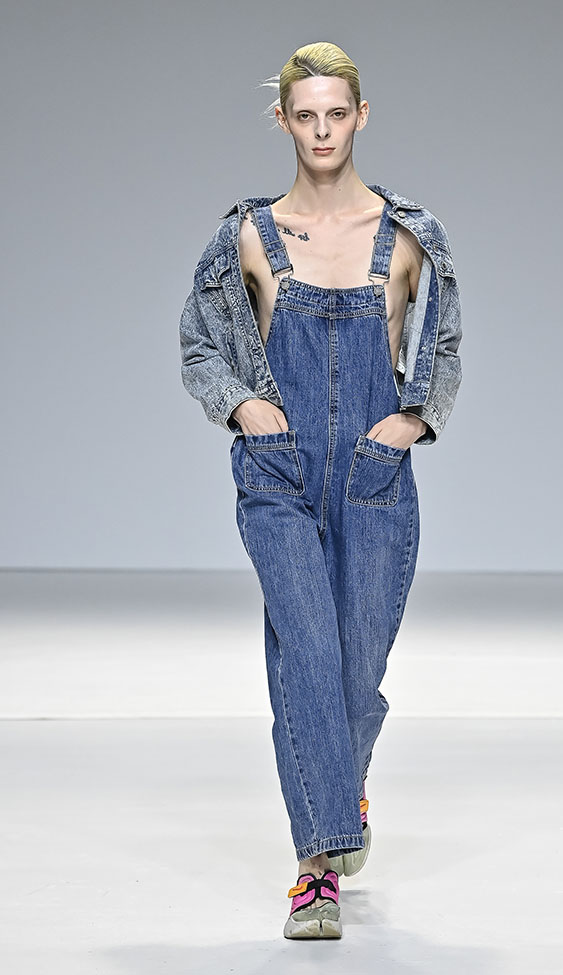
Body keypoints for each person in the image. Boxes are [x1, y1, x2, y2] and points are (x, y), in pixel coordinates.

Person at [179, 41, 463, 940]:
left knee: (356, 672)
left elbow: (443, 345)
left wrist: (412, 420)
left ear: (361, 116)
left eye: (337, 113)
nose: (322, 130)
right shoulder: (248, 236)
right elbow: (199, 343)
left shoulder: (409, 236)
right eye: (305, 116)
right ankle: (316, 870)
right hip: (280, 471)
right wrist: (243, 405)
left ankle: (344, 788)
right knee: (304, 650)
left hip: (375, 475)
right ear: (283, 121)